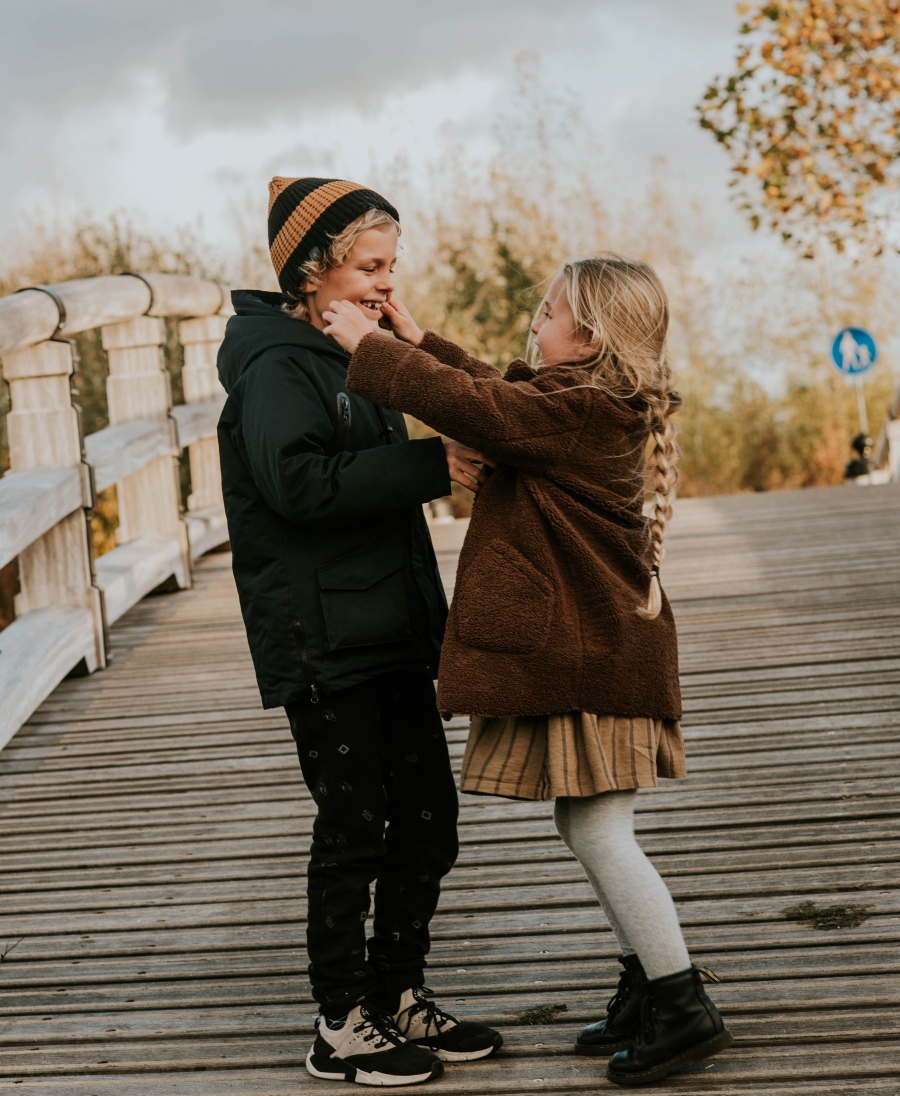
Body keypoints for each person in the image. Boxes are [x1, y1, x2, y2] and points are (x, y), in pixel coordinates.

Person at [323, 253, 734, 1088]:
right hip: (604, 651)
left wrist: (371, 344)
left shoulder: (585, 410)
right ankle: (643, 989)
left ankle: (681, 1002)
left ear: (588, 335)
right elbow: (498, 399)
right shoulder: (584, 402)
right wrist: (418, 338)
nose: (532, 328)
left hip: (601, 658)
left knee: (596, 830)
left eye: (546, 315)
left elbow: (482, 409)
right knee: (586, 826)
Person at [217, 176, 502, 1086]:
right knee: (356, 825)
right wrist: (430, 462)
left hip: (387, 625)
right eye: (368, 266)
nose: (385, 282)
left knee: (429, 818)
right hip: (324, 639)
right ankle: (338, 1019)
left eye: (391, 265)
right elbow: (297, 485)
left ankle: (396, 993)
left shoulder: (354, 351)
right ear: (310, 271)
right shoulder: (275, 367)